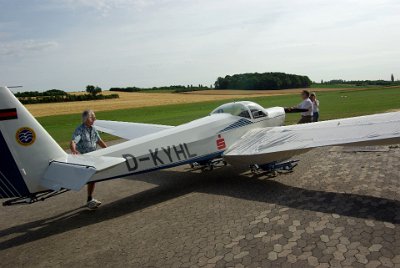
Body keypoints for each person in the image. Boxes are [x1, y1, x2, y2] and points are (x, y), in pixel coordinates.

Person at [70, 110, 107, 209]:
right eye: (92, 117)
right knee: (89, 179)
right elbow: (74, 140)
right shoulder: (80, 129)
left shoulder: (94, 129)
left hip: (93, 158)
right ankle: (89, 199)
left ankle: (89, 199)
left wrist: (108, 150)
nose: (94, 119)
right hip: (84, 159)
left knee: (92, 179)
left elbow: (99, 140)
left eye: (94, 117)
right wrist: (73, 149)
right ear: (86, 119)